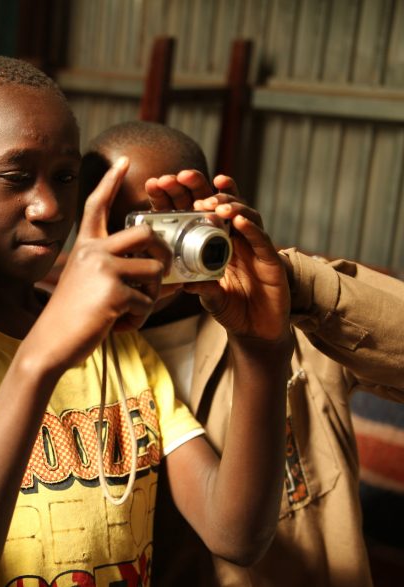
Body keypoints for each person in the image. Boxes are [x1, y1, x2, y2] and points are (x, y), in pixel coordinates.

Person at [0, 56, 294, 586]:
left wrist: (261, 350)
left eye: (65, 177)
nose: (48, 206)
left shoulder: (118, 343)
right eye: (15, 176)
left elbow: (236, 535)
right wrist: (40, 359)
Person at [81, 120, 404, 587]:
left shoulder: (294, 322)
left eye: (161, 223)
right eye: (119, 224)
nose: (140, 245)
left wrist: (296, 285)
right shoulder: (77, 356)